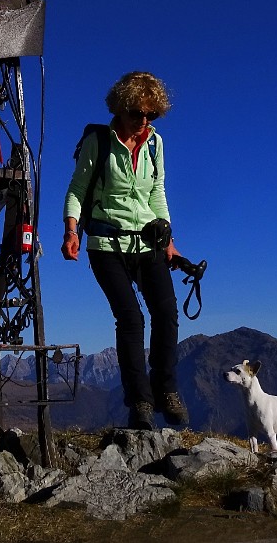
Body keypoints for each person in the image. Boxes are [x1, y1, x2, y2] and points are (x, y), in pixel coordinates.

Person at [62, 71, 187, 431]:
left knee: (166, 313)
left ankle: (167, 391)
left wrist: (169, 241)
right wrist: (71, 230)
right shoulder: (98, 143)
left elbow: (157, 193)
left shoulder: (155, 144)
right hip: (106, 244)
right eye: (137, 113)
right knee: (131, 319)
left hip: (148, 242)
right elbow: (78, 189)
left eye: (151, 115)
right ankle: (140, 403)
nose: (143, 122)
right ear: (120, 108)